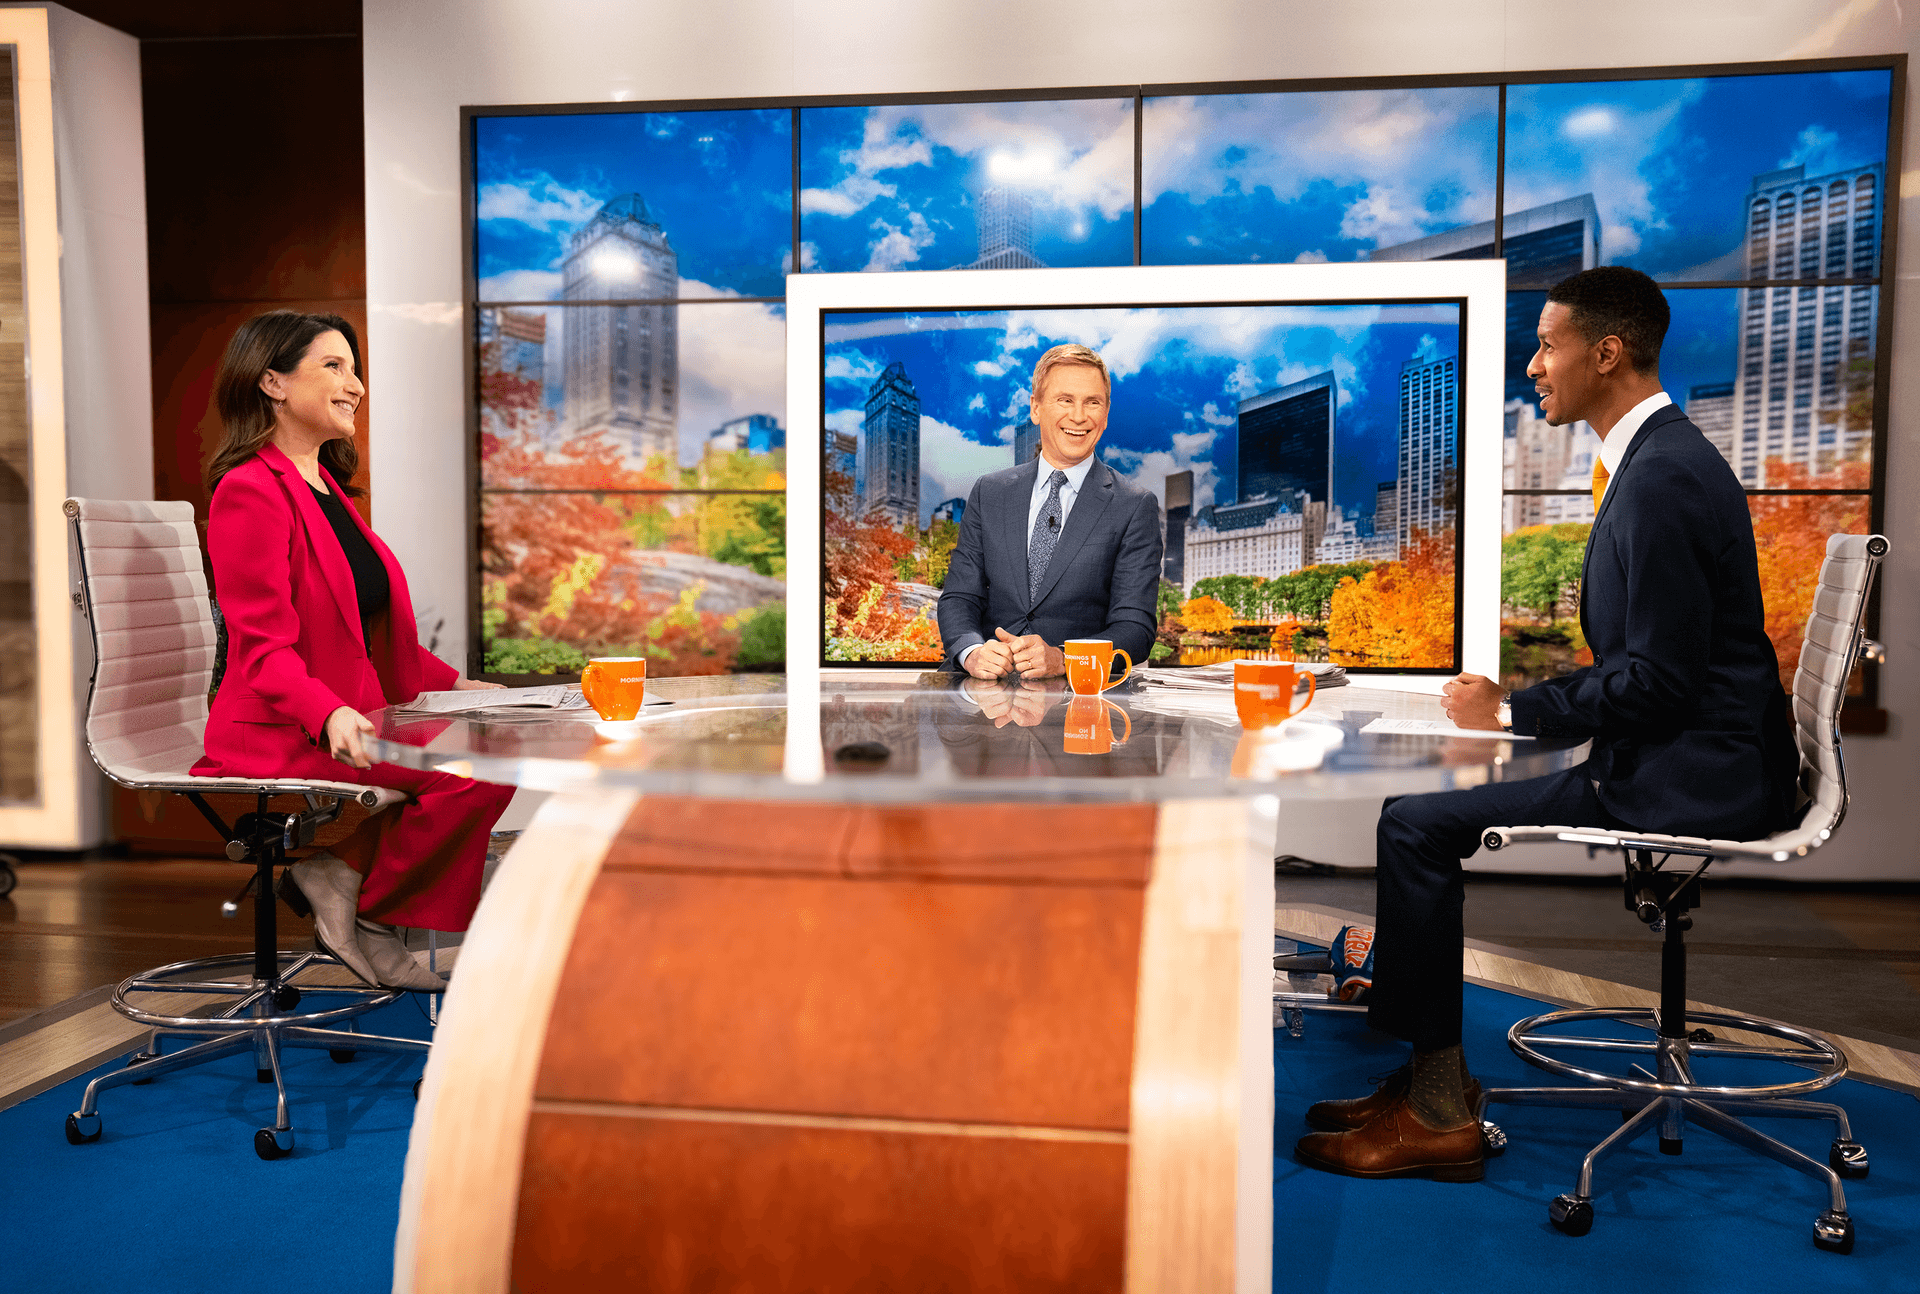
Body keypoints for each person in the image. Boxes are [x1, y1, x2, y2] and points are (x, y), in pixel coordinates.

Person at [1295, 267, 1799, 1182]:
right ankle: (1425, 1079)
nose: (1531, 366)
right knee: (1414, 816)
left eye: (1545, 345)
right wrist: (1518, 710)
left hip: (1690, 774)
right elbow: (1650, 664)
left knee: (1414, 826)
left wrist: (1513, 709)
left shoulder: (1664, 478)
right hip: (1691, 753)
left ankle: (1436, 1111)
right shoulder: (1659, 460)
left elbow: (1657, 683)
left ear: (1605, 354)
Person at [191, 311, 515, 992]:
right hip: (280, 725)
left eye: (355, 368)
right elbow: (261, 648)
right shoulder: (249, 490)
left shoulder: (326, 487)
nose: (356, 385)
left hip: (349, 710)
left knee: (497, 745)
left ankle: (338, 876)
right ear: (273, 383)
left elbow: (367, 632)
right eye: (333, 367)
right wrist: (328, 712)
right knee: (471, 771)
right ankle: (370, 912)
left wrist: (458, 686)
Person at [936, 343, 1163, 681]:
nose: (1079, 416)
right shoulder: (989, 492)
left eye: (1092, 402)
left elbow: (1135, 628)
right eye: (1065, 400)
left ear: (1105, 414)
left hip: (1075, 698)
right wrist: (972, 653)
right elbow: (959, 597)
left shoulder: (1134, 505)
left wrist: (1065, 659)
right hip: (982, 690)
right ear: (1036, 408)